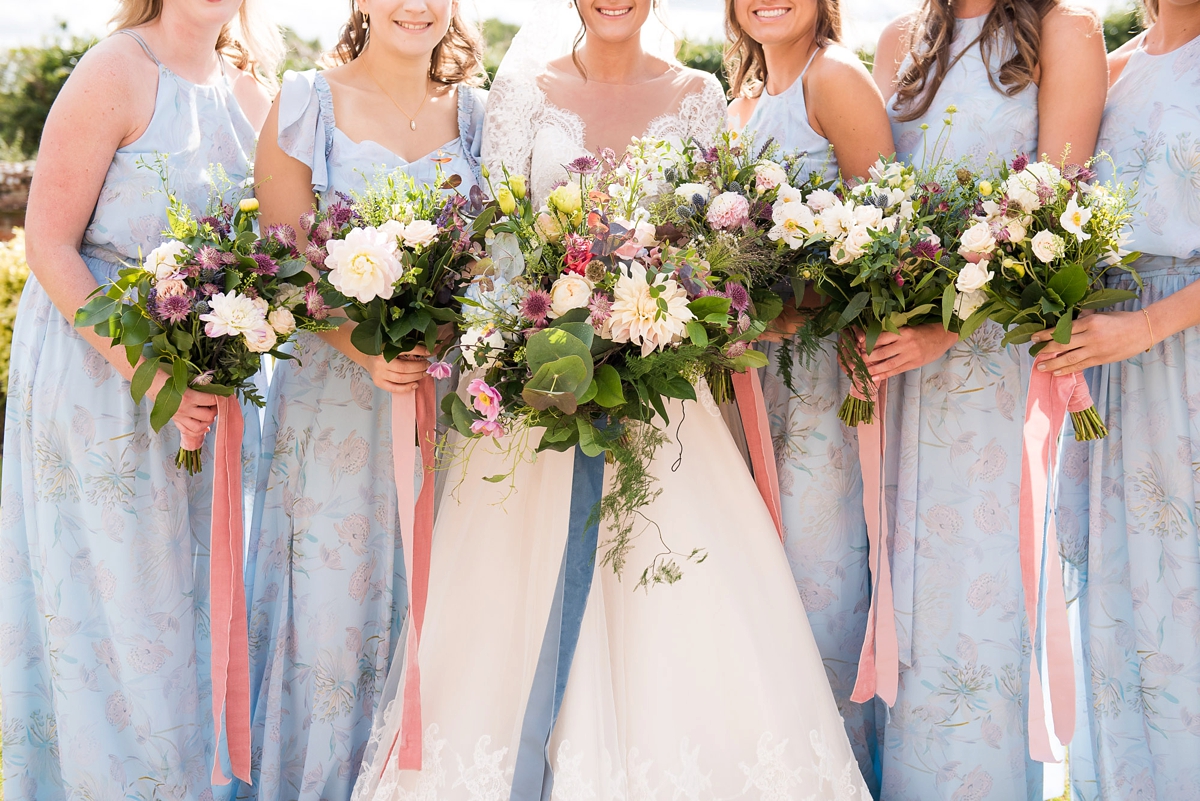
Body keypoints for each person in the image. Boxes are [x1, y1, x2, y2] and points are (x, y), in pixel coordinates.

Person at [352, 0, 871, 796]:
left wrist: (659, 326)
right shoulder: (523, 93)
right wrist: (536, 336)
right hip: (534, 399)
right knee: (502, 621)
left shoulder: (701, 96)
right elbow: (496, 249)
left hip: (665, 405)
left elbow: (715, 256)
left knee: (680, 601)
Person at [0, 1, 276, 798]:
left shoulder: (248, 90)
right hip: (103, 384)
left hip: (209, 395)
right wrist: (150, 376)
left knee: (195, 619)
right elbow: (48, 241)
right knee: (118, 623)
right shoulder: (115, 69)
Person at [242, 1, 486, 798]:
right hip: (333, 411)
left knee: (437, 619)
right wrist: (372, 348)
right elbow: (284, 262)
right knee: (332, 622)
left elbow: (492, 262)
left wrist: (441, 342)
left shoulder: (479, 116)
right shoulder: (307, 101)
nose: (414, 5)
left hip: (446, 418)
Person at [869, 0, 1106, 794]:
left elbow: (1059, 216)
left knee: (979, 603)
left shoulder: (1063, 31)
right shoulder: (898, 40)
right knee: (898, 592)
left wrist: (950, 326)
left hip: (994, 372)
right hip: (897, 373)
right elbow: (876, 204)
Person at [1031, 0, 1200, 794]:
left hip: (1183, 362)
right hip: (1108, 376)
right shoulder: (1117, 69)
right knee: (1122, 607)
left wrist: (1150, 327)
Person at [725, 0, 895, 789]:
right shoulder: (742, 98)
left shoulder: (836, 80)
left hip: (822, 384)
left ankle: (836, 776)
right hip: (742, 381)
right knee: (754, 589)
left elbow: (887, 249)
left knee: (819, 584)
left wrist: (788, 310)